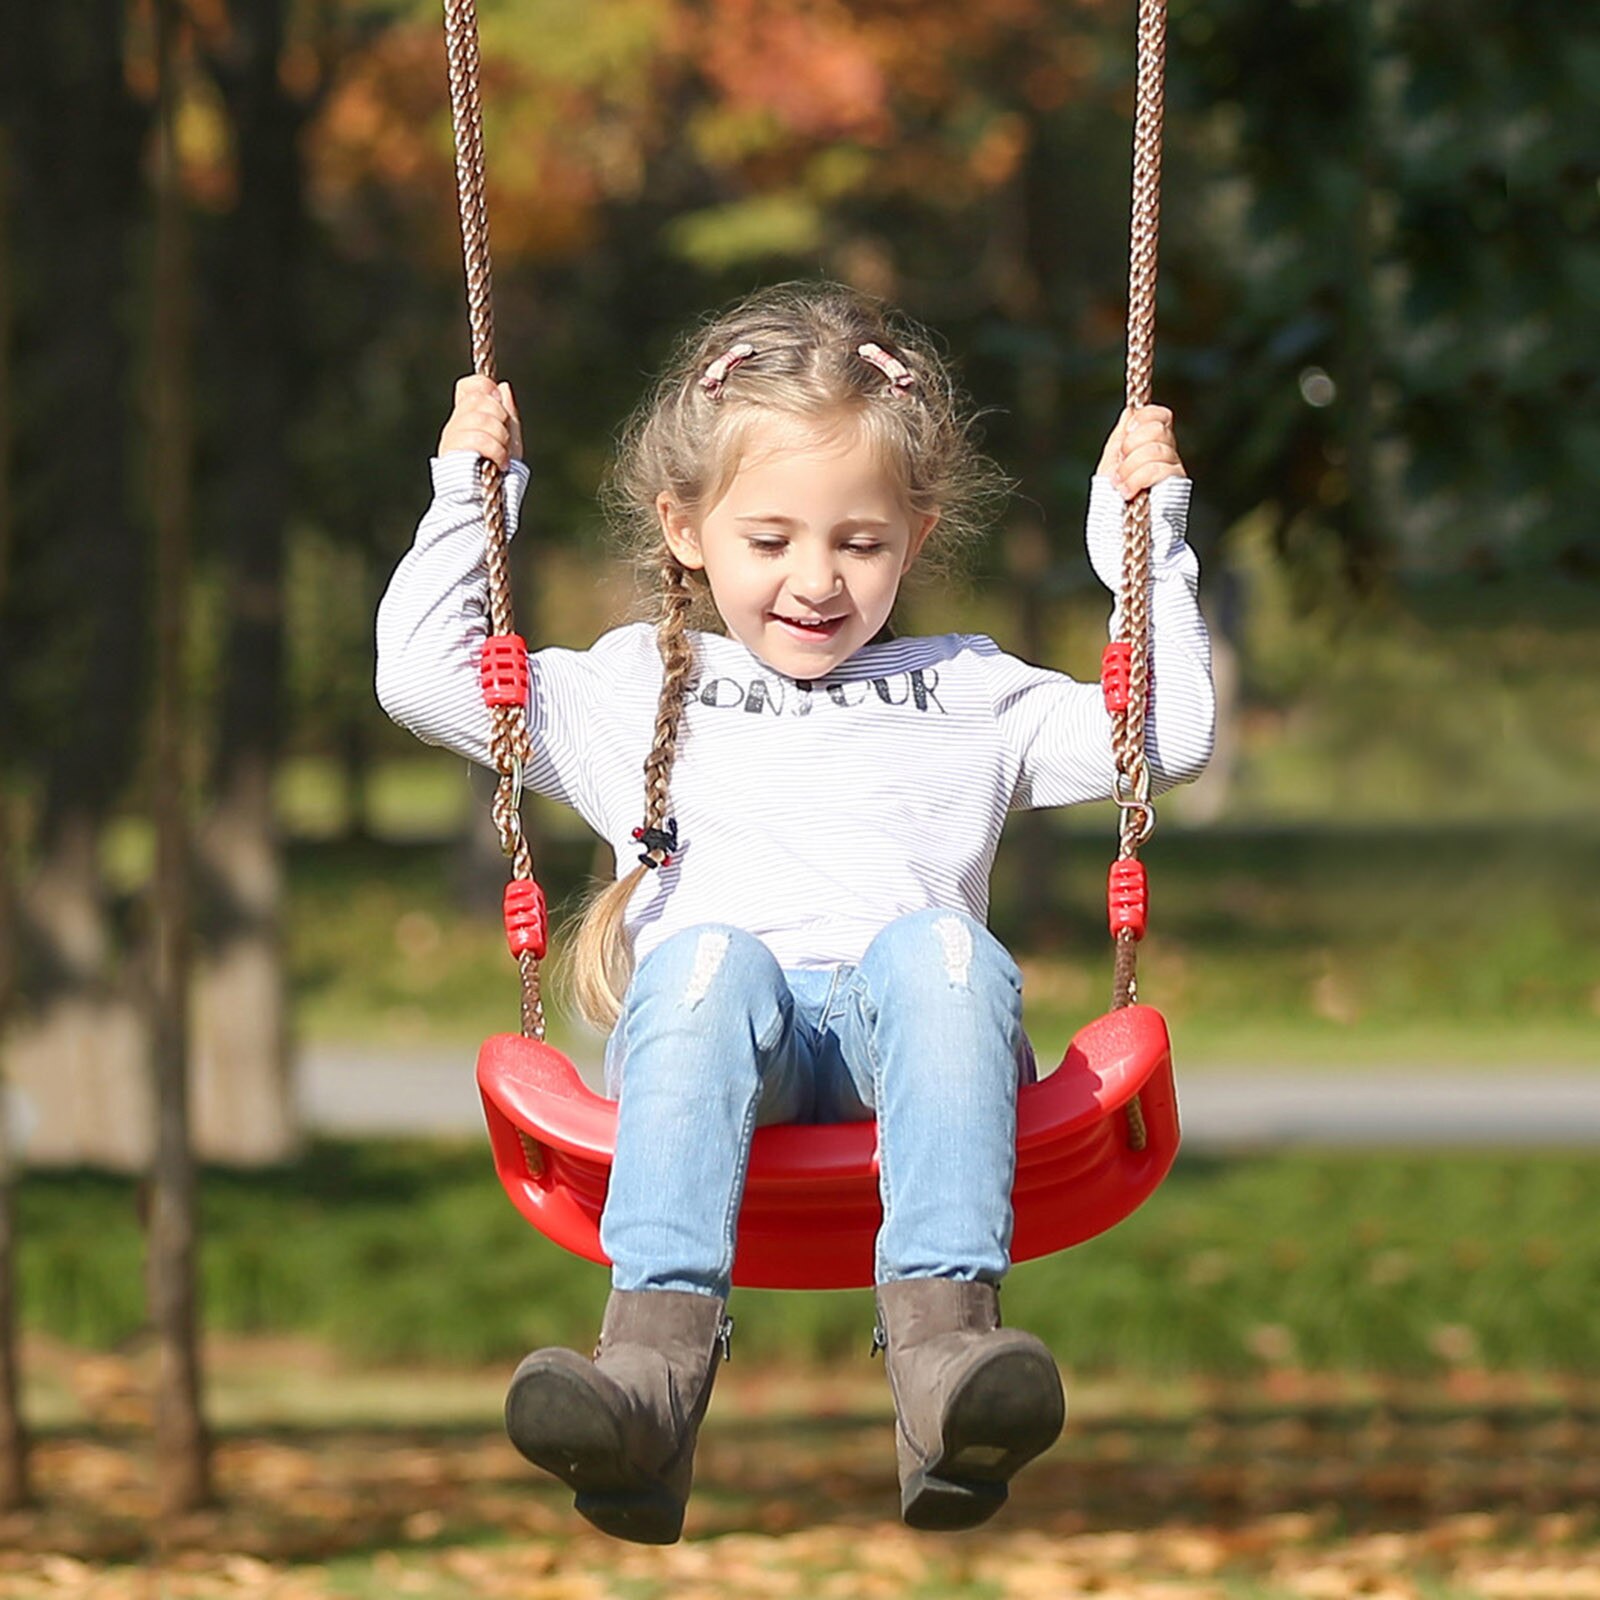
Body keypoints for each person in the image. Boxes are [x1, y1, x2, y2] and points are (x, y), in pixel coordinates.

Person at [375, 281, 1213, 1544]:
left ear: (916, 535)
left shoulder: (969, 692)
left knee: (940, 949)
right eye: (770, 541)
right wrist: (467, 498)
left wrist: (1142, 542)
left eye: (859, 544)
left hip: (912, 1056)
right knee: (708, 955)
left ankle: (945, 1371)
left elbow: (1174, 733)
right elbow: (421, 676)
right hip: (719, 1056)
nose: (815, 581)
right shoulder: (625, 690)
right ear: (687, 528)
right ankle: (645, 1388)